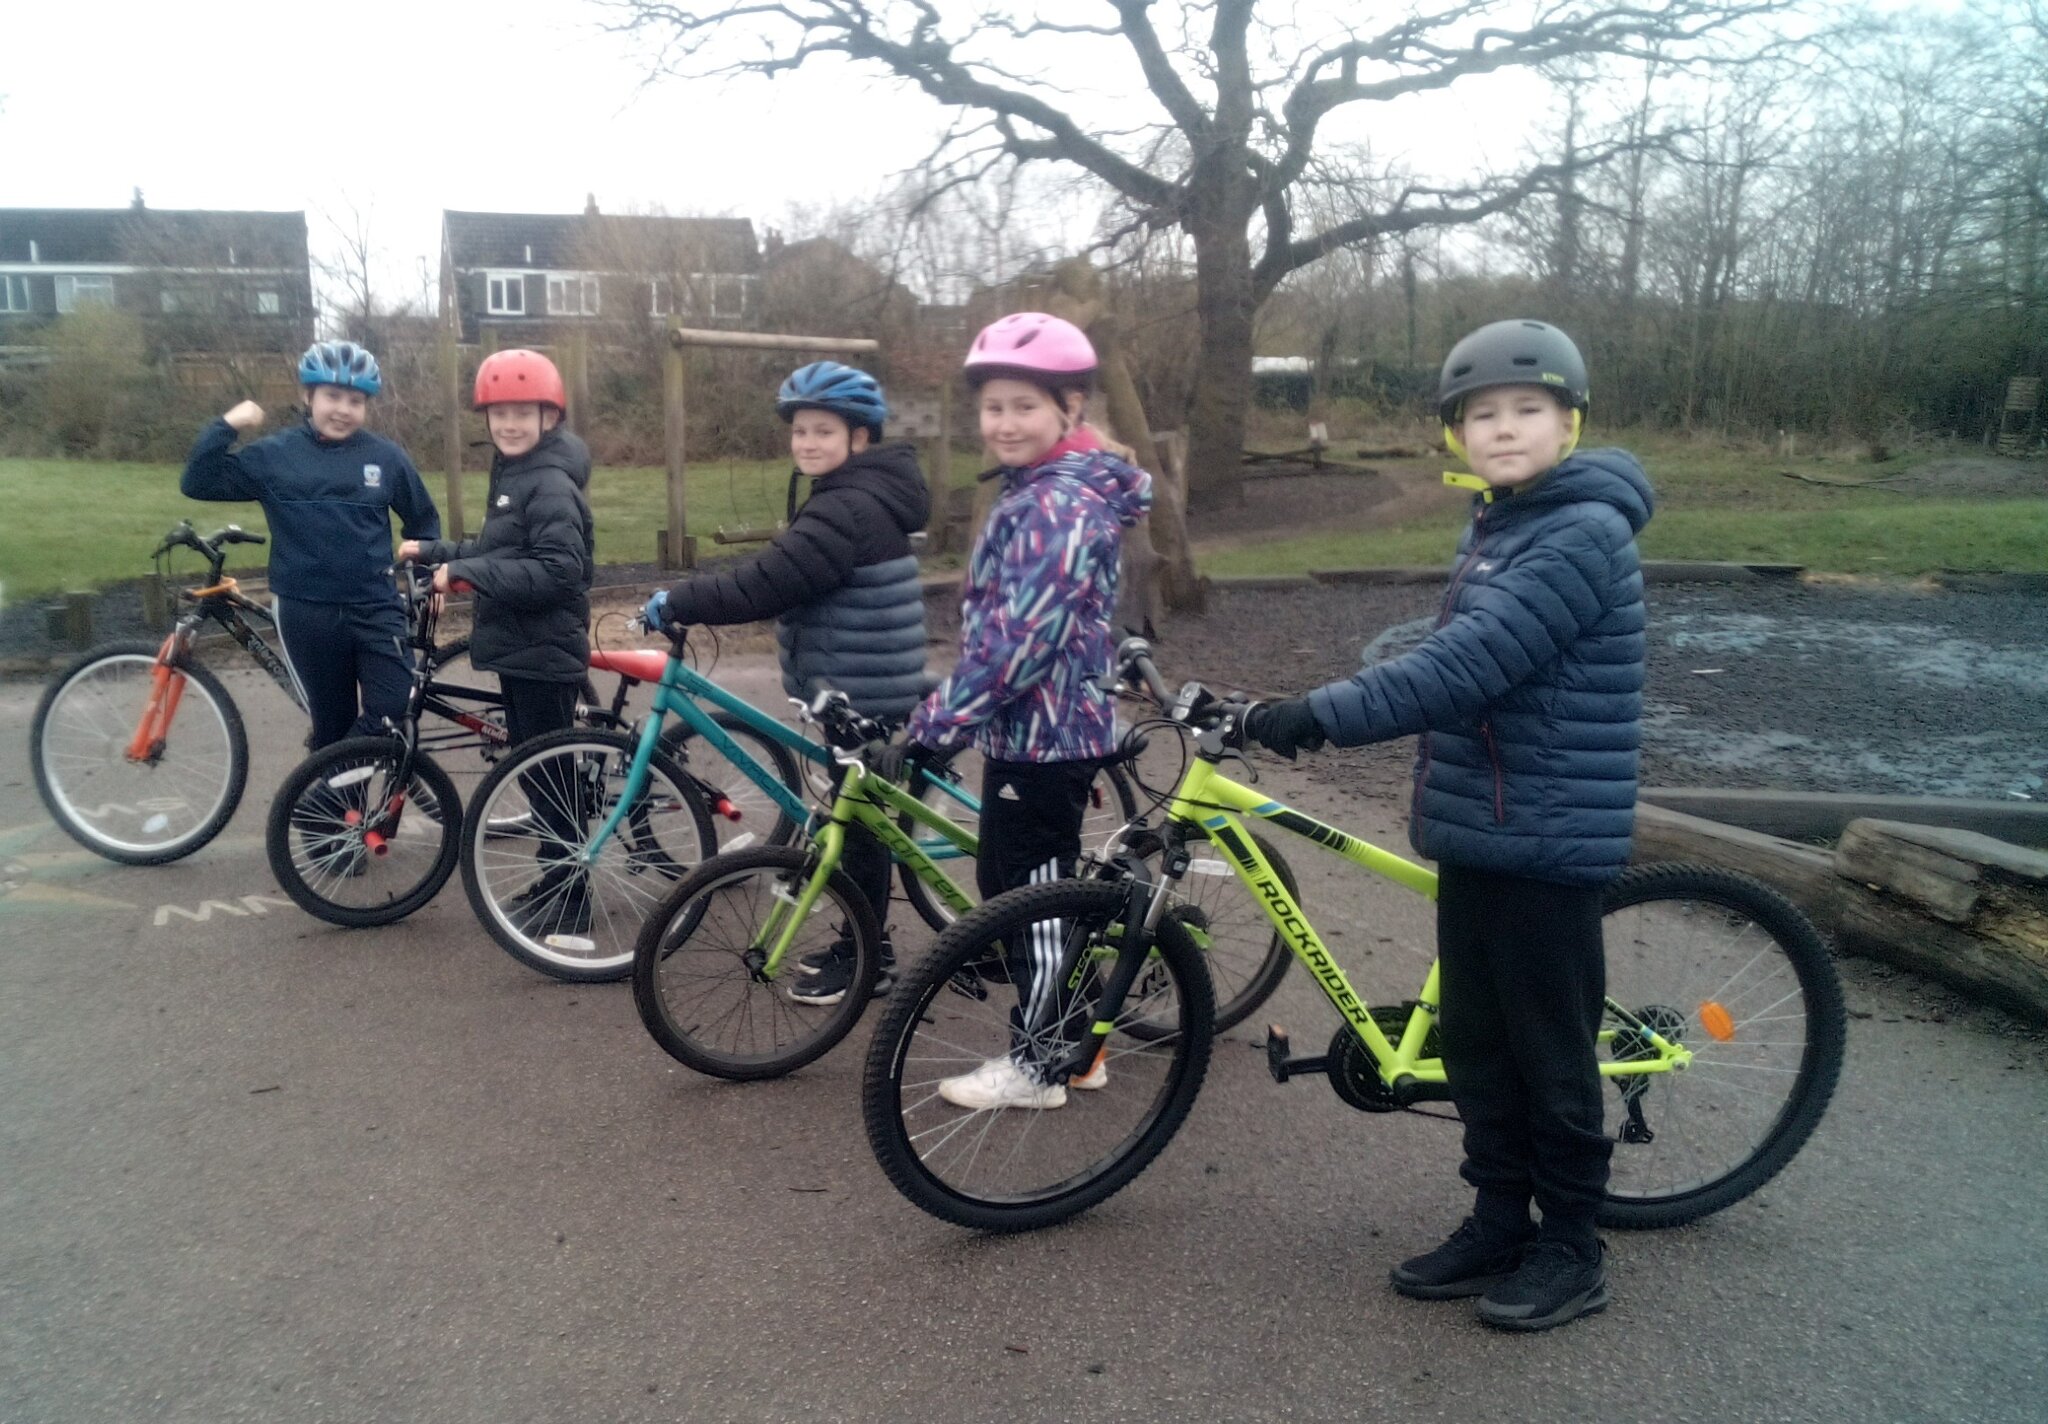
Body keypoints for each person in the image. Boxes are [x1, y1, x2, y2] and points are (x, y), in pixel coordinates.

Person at [1241, 318, 1653, 1332]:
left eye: (1526, 409)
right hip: (1482, 830)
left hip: (1549, 838)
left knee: (1548, 1057)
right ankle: (1494, 1218)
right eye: (1481, 414)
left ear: (1569, 422)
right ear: (1455, 435)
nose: (1502, 428)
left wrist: (1313, 713)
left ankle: (1570, 1245)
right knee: (1475, 1046)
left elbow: (1460, 667)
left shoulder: (1581, 533)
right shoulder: (1500, 524)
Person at [898, 312, 1152, 1112]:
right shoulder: (1044, 489)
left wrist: (940, 723)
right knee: (1021, 886)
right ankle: (1075, 1047)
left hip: (1045, 738)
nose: (1003, 423)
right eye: (993, 407)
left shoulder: (1057, 506)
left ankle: (1045, 1065)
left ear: (1069, 410)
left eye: (1023, 406)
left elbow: (1019, 642)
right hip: (1038, 728)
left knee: (1034, 898)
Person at [641, 361, 929, 1005]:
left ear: (860, 438)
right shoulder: (850, 495)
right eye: (800, 430)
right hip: (859, 677)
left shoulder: (847, 507)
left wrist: (680, 599)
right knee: (858, 818)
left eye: (823, 430)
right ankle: (865, 939)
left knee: (859, 829)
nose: (806, 443)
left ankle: (867, 953)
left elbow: (766, 582)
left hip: (862, 689)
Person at [401, 349, 595, 936]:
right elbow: (504, 551)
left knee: (550, 779)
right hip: (521, 647)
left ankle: (572, 895)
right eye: (499, 413)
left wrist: (468, 575)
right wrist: (433, 553)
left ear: (549, 417)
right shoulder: (515, 474)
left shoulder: (549, 482)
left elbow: (561, 572)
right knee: (538, 775)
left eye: (522, 413)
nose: (509, 424)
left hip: (543, 650)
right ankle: (557, 877)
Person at [181, 340, 440, 750]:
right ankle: (339, 810)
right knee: (332, 725)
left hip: (376, 606)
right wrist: (228, 425)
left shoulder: (386, 458)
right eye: (332, 396)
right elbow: (198, 480)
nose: (343, 409)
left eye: (355, 400)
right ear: (308, 396)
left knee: (393, 713)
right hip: (307, 614)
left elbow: (423, 522)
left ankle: (321, 793)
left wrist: (425, 575)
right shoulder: (275, 456)